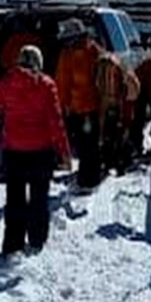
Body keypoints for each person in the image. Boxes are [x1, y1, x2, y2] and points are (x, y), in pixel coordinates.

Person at [0, 45, 71, 255]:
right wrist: (64, 151)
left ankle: (12, 244)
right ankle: (36, 240)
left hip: (14, 151)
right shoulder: (46, 84)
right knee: (39, 199)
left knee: (14, 199)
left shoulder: (7, 82)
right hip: (41, 152)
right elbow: (55, 122)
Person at [54, 18, 105, 190]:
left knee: (86, 147)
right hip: (92, 107)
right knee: (90, 145)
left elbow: (62, 84)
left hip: (81, 108)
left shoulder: (68, 55)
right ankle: (91, 177)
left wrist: (60, 107)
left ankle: (87, 181)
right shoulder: (95, 50)